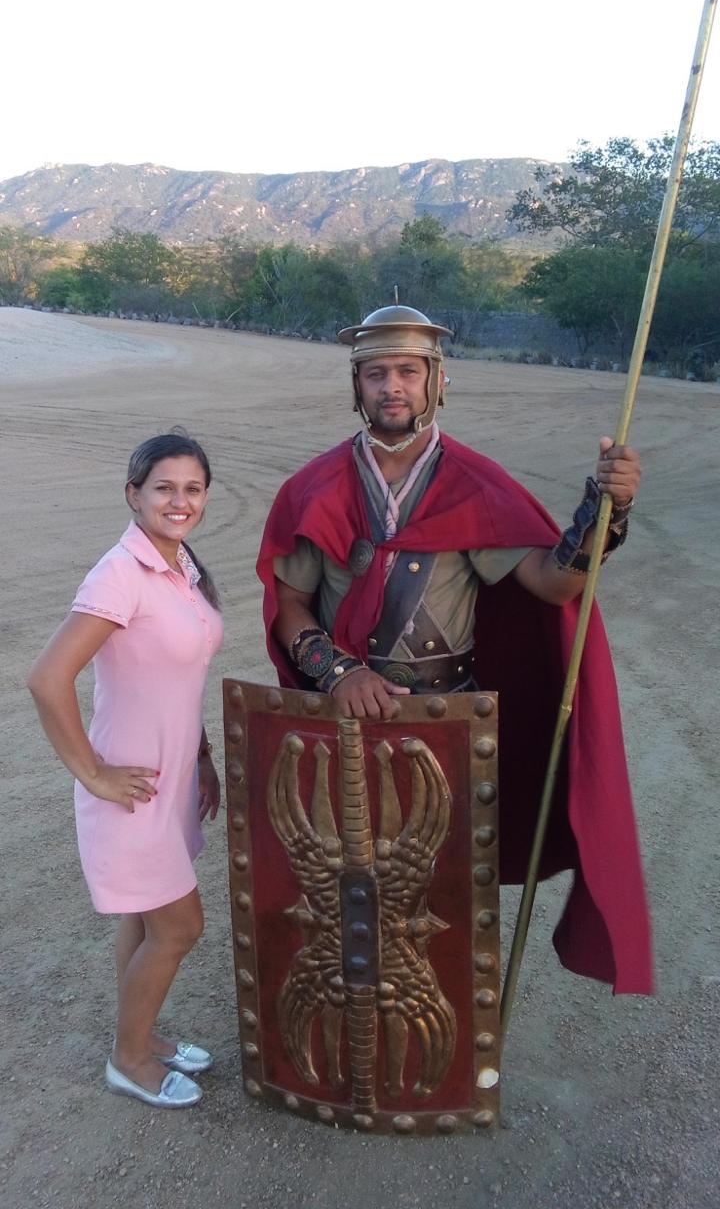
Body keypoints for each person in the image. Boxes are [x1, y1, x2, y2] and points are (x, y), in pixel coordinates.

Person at [257, 305, 653, 996]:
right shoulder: (314, 488)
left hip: (445, 723)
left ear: (437, 382)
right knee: (340, 887)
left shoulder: (475, 485)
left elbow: (554, 583)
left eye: (408, 372)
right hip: (342, 718)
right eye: (376, 373)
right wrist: (339, 672)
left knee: (442, 896)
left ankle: (443, 1036)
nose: (392, 386)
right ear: (356, 386)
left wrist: (605, 512)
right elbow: (289, 603)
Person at [28, 432, 224, 1109]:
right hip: (132, 792)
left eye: (192, 488)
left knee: (145, 922)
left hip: (171, 784)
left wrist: (202, 757)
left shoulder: (179, 567)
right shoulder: (121, 573)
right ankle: (128, 1059)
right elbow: (47, 678)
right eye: (164, 488)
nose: (180, 501)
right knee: (180, 926)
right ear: (133, 494)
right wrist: (94, 776)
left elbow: (177, 680)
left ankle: (141, 1034)